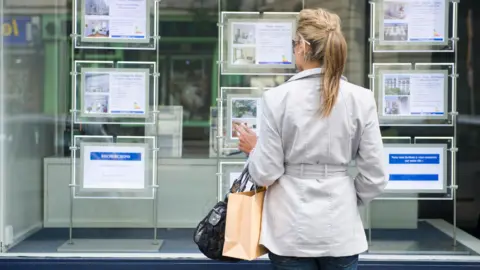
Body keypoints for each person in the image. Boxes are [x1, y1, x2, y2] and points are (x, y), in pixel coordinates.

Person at [233, 8, 387, 270]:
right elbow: (376, 176)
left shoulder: (277, 98)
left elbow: (266, 173)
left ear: (303, 46)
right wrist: (348, 197)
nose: (294, 51)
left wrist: (255, 148)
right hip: (341, 228)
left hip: (289, 229)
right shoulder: (361, 98)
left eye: (294, 44)